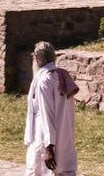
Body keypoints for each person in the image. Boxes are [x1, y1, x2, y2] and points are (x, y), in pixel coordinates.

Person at [24, 41, 79, 176]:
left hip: (45, 139)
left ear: (37, 59)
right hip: (64, 136)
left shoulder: (45, 81)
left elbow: (45, 115)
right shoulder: (62, 76)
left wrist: (49, 147)